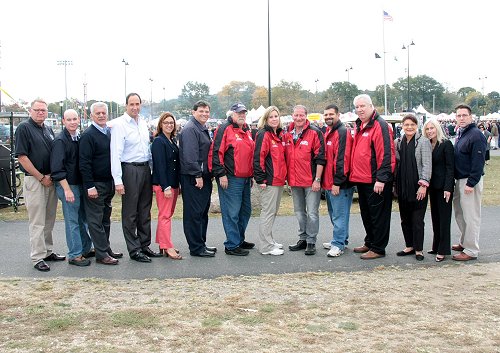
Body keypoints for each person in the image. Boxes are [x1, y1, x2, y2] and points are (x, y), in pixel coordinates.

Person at [15, 98, 65, 272]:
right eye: (37, 110)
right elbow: (22, 157)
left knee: (49, 219)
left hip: (49, 179)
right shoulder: (24, 128)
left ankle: (47, 251)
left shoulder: (48, 128)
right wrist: (40, 177)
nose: (41, 113)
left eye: (43, 110)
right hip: (35, 180)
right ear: (31, 111)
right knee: (37, 221)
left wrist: (50, 175)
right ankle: (37, 257)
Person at [110, 93, 160, 263]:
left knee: (145, 211)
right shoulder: (119, 125)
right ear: (126, 105)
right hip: (129, 169)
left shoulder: (143, 123)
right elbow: (115, 154)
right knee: (130, 213)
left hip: (145, 168)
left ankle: (145, 244)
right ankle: (134, 249)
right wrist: (118, 180)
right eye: (131, 104)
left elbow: (146, 148)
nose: (135, 107)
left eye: (137, 104)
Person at [349, 94, 395, 260]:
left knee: (379, 216)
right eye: (357, 107)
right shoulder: (360, 125)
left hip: (376, 180)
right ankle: (370, 241)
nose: (360, 110)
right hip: (362, 179)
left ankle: (378, 248)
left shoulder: (380, 125)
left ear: (371, 106)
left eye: (363, 106)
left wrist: (381, 179)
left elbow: (386, 154)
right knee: (367, 214)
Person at [79, 102, 122, 265]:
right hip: (95, 184)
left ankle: (105, 247)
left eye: (104, 113)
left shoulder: (109, 133)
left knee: (105, 218)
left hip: (108, 182)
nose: (102, 115)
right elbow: (84, 163)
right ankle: (101, 254)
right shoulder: (88, 135)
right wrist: (90, 186)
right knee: (95, 220)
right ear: (91, 116)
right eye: (98, 113)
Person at [210, 102, 255, 256]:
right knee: (232, 212)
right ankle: (232, 244)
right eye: (239, 113)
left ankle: (239, 239)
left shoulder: (247, 129)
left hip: (246, 178)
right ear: (232, 114)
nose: (242, 115)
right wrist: (221, 174)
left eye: (244, 113)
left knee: (245, 211)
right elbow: (216, 152)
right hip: (230, 177)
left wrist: (252, 174)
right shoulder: (224, 128)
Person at [50, 109, 92, 267]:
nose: (73, 122)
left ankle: (85, 249)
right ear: (63, 121)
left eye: (75, 119)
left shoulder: (78, 137)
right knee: (72, 220)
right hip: (68, 186)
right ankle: (75, 254)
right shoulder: (60, 141)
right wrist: (67, 190)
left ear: (79, 120)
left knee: (82, 219)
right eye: (69, 119)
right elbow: (57, 168)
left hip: (79, 184)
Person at [284, 105, 326, 255]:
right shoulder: (287, 133)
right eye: (296, 115)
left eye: (302, 115)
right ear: (292, 116)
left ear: (306, 116)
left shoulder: (315, 132)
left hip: (310, 181)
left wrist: (317, 179)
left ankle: (311, 241)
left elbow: (321, 158)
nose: (299, 118)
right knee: (299, 212)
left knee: (312, 213)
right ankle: (302, 238)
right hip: (295, 181)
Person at [179, 100, 217, 257]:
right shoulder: (190, 129)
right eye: (201, 111)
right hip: (193, 177)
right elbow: (190, 156)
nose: (204, 114)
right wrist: (197, 175)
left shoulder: (201, 128)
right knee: (194, 213)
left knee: (202, 212)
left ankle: (201, 243)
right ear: (193, 112)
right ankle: (196, 248)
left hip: (203, 176)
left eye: (207, 111)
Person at [394, 114, 432, 261]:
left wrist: (423, 185)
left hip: (418, 187)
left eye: (412, 125)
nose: (409, 127)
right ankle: (409, 246)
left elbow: (427, 165)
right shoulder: (398, 142)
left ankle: (419, 249)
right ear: (402, 126)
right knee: (405, 219)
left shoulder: (423, 142)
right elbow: (396, 164)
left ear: (417, 126)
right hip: (403, 187)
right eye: (406, 125)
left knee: (417, 220)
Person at [452, 104, 487, 261]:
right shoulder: (461, 133)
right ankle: (464, 242)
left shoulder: (476, 135)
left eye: (464, 115)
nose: (461, 118)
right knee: (461, 214)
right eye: (458, 116)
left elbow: (479, 161)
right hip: (460, 179)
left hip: (469, 181)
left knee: (471, 216)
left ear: (471, 117)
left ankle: (471, 250)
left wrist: (471, 183)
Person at [321, 104, 354, 257]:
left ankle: (338, 244)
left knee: (340, 215)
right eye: (326, 115)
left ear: (338, 115)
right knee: (334, 214)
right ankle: (340, 239)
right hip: (329, 182)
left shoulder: (342, 132)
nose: (328, 117)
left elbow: (343, 159)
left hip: (339, 184)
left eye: (331, 114)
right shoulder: (329, 132)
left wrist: (337, 182)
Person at [253, 106, 287, 256]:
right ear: (266, 119)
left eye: (276, 116)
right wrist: (261, 179)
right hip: (269, 181)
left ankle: (269, 241)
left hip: (278, 180)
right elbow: (258, 157)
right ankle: (265, 247)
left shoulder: (277, 135)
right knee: (267, 213)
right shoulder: (264, 134)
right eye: (271, 116)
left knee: (272, 213)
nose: (274, 119)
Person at [423, 119, 455, 262]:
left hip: (444, 188)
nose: (430, 131)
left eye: (432, 128)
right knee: (435, 217)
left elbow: (450, 167)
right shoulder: (428, 144)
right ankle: (436, 245)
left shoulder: (446, 144)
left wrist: (448, 188)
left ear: (437, 129)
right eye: (427, 129)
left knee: (444, 219)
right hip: (433, 188)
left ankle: (443, 249)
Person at [151, 112, 182, 260]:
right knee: (165, 216)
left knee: (166, 215)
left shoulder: (172, 140)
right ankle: (167, 246)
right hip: (164, 185)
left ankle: (164, 244)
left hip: (173, 184)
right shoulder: (159, 141)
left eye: (171, 122)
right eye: (166, 122)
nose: (169, 125)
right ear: (160, 125)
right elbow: (160, 166)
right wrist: (166, 187)